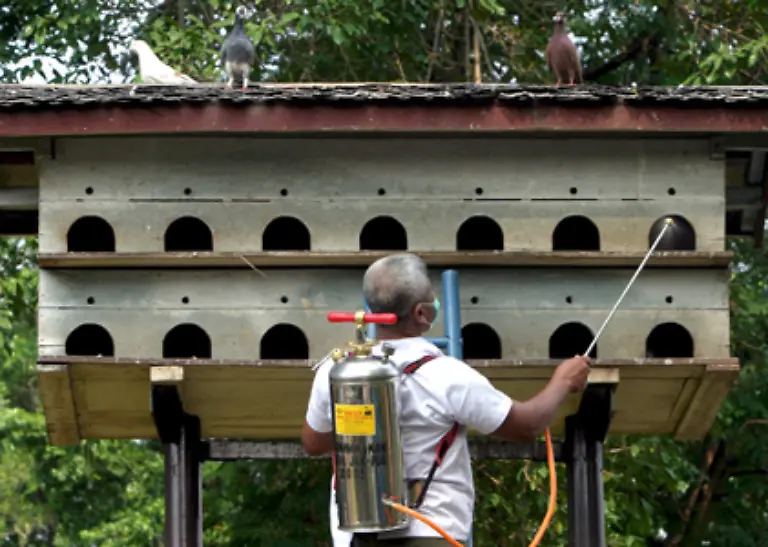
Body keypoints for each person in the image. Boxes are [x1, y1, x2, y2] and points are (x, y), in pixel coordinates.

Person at [303, 253, 590, 547]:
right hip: (431, 532)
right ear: (421, 313)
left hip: (358, 537)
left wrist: (365, 430)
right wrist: (563, 381)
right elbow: (527, 426)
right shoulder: (448, 376)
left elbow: (314, 443)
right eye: (431, 295)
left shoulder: (336, 371)